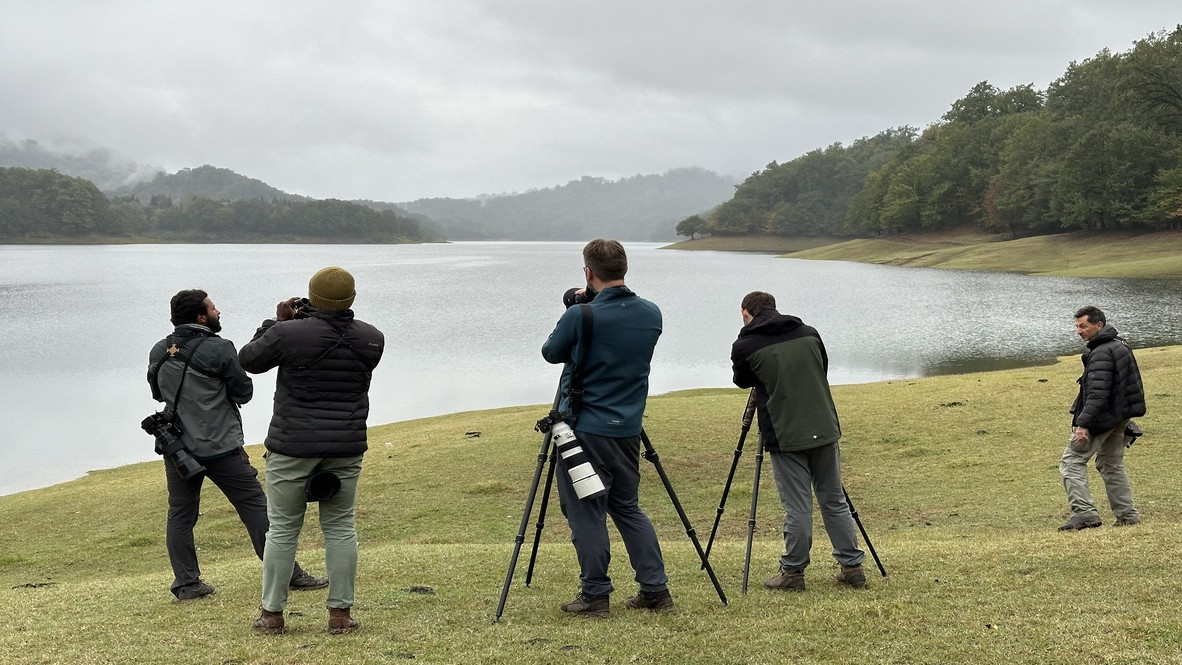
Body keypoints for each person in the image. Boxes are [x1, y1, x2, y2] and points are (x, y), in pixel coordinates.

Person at [147, 289, 327, 600]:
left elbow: (158, 393)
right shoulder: (219, 348)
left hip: (177, 446)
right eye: (214, 308)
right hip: (222, 446)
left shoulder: (160, 350)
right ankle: (288, 575)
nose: (219, 312)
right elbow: (244, 392)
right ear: (201, 316)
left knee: (180, 514)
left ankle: (187, 584)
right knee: (255, 508)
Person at [239, 267, 384, 634]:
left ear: (312, 297)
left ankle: (272, 615)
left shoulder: (287, 333)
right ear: (351, 298)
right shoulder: (373, 339)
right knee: (339, 528)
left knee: (284, 529)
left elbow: (249, 361)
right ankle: (340, 614)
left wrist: (275, 322)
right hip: (345, 445)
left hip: (293, 445)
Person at [541, 238, 672, 616]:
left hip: (585, 431)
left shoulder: (581, 316)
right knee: (627, 507)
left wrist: (581, 306)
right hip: (628, 427)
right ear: (624, 269)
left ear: (588, 272)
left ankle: (595, 593)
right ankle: (654, 589)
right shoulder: (652, 313)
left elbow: (551, 353)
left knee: (587, 511)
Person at [729, 291, 866, 592]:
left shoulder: (745, 345)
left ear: (745, 313)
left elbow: (743, 380)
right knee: (834, 499)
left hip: (784, 432)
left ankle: (793, 572)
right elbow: (821, 368)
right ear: (775, 309)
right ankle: (852, 566)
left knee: (797, 506)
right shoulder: (809, 333)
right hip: (824, 424)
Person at [1058, 305, 1146, 531]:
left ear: (1099, 325)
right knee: (1110, 463)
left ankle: (1084, 513)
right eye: (1077, 326)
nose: (1079, 331)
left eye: (1083, 326)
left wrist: (1082, 424)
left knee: (1072, 461)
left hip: (1103, 418)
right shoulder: (1119, 345)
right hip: (1120, 417)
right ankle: (1127, 515)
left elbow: (1097, 394)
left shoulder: (1101, 353)